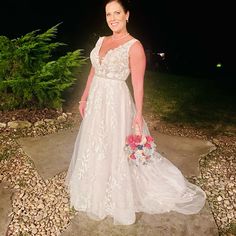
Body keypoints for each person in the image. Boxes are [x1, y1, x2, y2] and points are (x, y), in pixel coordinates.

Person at [65, 0, 206, 225]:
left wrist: (138, 117)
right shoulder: (101, 40)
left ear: (127, 15)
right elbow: (93, 72)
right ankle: (94, 186)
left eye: (117, 13)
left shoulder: (134, 46)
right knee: (95, 142)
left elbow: (138, 85)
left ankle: (116, 192)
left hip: (116, 101)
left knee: (114, 145)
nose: (112, 18)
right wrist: (84, 97)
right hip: (97, 100)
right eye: (108, 14)